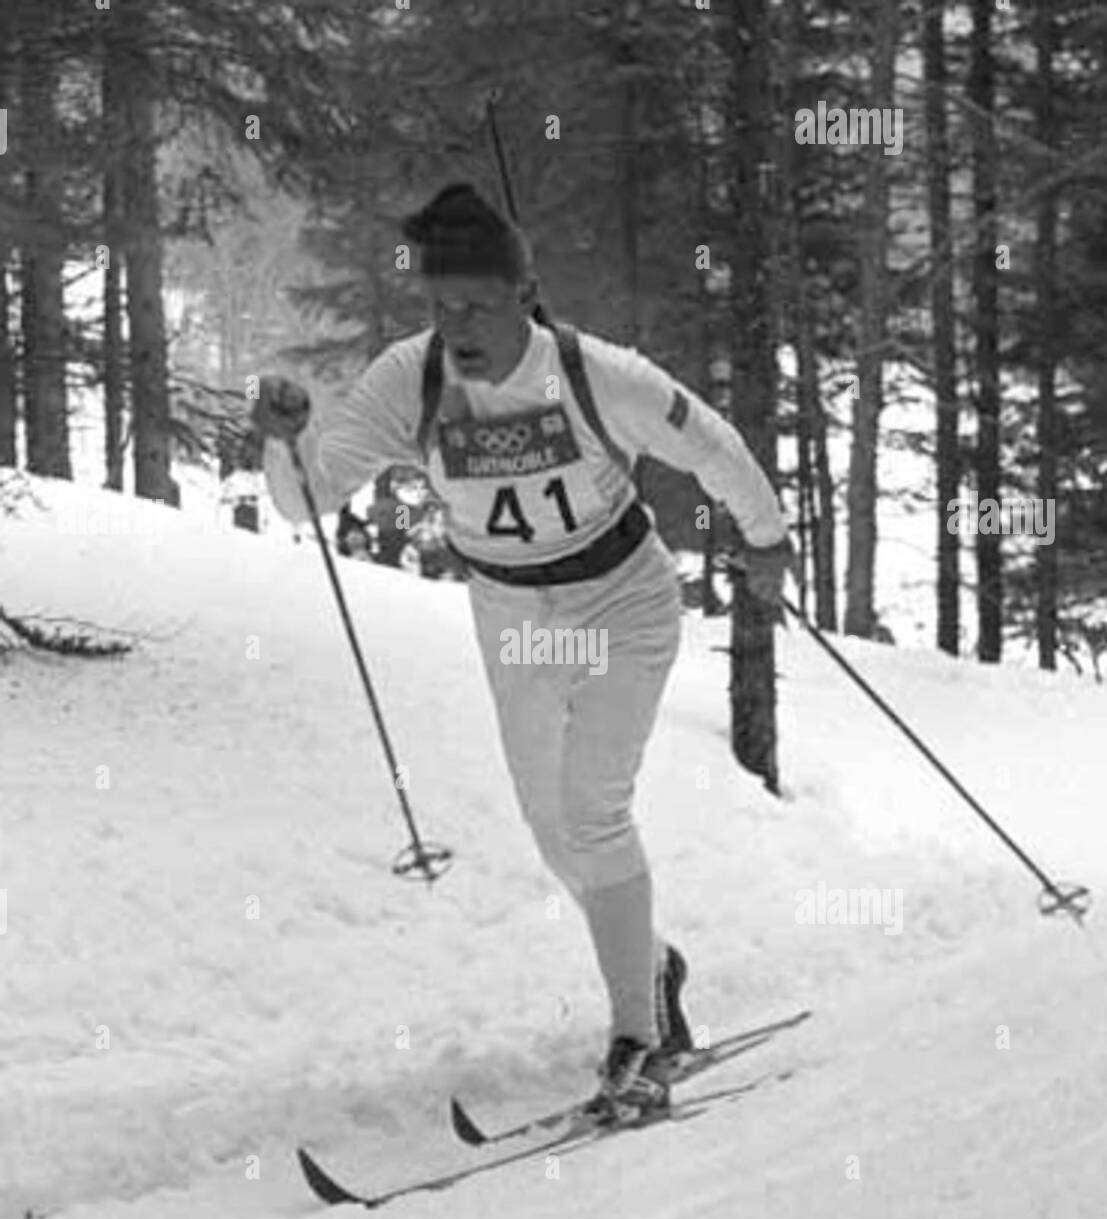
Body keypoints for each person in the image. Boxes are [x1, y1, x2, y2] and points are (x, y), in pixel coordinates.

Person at [256, 184, 793, 1122]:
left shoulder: (593, 374)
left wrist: (763, 539)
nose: (453, 325)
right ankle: (653, 966)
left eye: (472, 304)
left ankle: (638, 1039)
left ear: (522, 294)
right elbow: (307, 499)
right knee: (553, 834)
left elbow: (708, 441)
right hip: (513, 612)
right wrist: (285, 441)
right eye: (437, 305)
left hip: (624, 599)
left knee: (591, 810)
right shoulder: (408, 380)